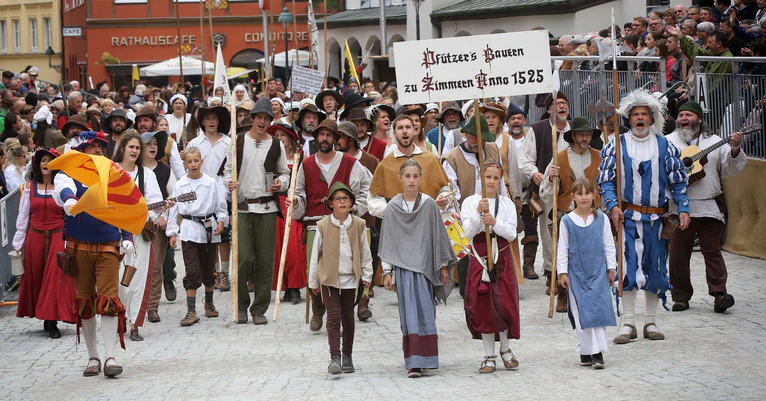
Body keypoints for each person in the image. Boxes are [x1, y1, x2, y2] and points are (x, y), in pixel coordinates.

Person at [597, 89, 690, 344]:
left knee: (655, 269)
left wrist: (683, 208)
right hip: (626, 219)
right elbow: (605, 181)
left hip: (657, 221)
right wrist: (613, 206)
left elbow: (678, 180)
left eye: (644, 114)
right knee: (627, 269)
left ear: (651, 118)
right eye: (635, 114)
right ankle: (628, 323)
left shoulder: (664, 146)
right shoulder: (616, 145)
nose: (640, 118)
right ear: (629, 119)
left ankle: (650, 321)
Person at [54, 131, 135, 377]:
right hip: (78, 248)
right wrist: (70, 201)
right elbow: (64, 192)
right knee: (85, 302)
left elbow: (124, 206)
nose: (98, 150)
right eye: (93, 147)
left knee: (109, 301)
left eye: (100, 146)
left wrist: (128, 237)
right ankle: (93, 356)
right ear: (81, 151)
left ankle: (110, 356)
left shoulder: (113, 174)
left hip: (108, 246)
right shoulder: (67, 174)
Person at [286, 118, 371, 331]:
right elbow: (299, 192)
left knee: (343, 268)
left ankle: (341, 312)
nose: (324, 139)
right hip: (315, 224)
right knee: (314, 268)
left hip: (344, 223)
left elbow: (366, 188)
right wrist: (296, 202)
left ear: (335, 138)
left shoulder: (350, 162)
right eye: (321, 135)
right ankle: (318, 309)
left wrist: (354, 207)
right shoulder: (306, 164)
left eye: (329, 135)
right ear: (316, 137)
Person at [378, 159, 457, 378]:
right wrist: (387, 272)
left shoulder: (429, 204)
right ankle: (413, 362)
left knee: (426, 312)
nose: (411, 180)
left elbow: (438, 236)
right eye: (407, 176)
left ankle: (428, 359)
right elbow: (388, 241)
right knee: (409, 314)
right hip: (404, 270)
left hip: (425, 267)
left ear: (421, 178)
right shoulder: (393, 207)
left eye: (415, 176)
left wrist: (443, 266)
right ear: (400, 178)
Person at [666, 101, 747, 313]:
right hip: (678, 208)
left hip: (709, 206)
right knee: (678, 255)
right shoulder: (667, 142)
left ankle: (720, 295)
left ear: (699, 119)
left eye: (689, 115)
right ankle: (680, 297)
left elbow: (732, 168)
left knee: (712, 252)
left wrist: (735, 147)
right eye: (681, 115)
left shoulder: (715, 142)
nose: (684, 118)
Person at [224, 97, 290, 325]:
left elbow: (285, 173)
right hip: (242, 208)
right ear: (252, 119)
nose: (262, 122)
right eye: (259, 117)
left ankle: (259, 308)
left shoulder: (276, 145)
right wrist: (229, 183)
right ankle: (241, 303)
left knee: (265, 260)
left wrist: (280, 183)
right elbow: (227, 171)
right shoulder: (238, 141)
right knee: (243, 257)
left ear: (270, 121)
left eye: (266, 118)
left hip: (267, 208)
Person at [461, 162, 520, 374]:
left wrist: (494, 222)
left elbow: (512, 233)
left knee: (504, 304)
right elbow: (466, 232)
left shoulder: (506, 204)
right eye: (488, 177)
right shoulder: (470, 202)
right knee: (484, 305)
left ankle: (505, 349)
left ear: (500, 179)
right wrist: (478, 214)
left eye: (496, 178)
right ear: (481, 176)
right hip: (480, 256)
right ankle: (489, 355)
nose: (491, 182)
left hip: (501, 256)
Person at [539, 117, 603, 312]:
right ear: (573, 136)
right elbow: (546, 194)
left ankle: (590, 295)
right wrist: (552, 178)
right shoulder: (559, 158)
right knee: (564, 255)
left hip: (593, 214)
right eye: (581, 134)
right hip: (567, 214)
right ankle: (563, 295)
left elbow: (607, 184)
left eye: (588, 134)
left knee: (592, 256)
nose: (585, 138)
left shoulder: (600, 157)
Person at [308, 182, 373, 374]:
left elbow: (365, 251)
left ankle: (347, 355)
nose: (342, 202)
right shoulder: (323, 225)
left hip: (350, 279)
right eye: (338, 199)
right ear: (331, 203)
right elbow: (315, 255)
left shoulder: (359, 224)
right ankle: (334, 357)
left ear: (351, 202)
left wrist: (367, 274)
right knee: (333, 317)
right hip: (329, 279)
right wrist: (314, 281)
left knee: (348, 318)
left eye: (345, 198)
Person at [14, 147, 77, 338]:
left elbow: (69, 213)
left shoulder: (62, 187)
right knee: (38, 276)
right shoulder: (30, 187)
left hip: (58, 235)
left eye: (50, 160)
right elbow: (23, 215)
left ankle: (52, 321)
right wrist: (18, 244)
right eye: (43, 160)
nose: (46, 163)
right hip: (35, 237)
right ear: (38, 164)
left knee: (55, 278)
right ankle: (44, 315)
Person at [557, 178, 617, 369]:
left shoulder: (602, 219)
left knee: (598, 311)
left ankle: (597, 352)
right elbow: (562, 248)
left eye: (587, 193)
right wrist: (562, 272)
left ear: (594, 195)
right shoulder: (567, 221)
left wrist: (611, 268)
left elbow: (608, 244)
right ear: (573, 196)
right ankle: (586, 350)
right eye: (580, 193)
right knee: (581, 312)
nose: (584, 197)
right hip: (577, 273)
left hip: (598, 271)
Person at [166, 147, 228, 326]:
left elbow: (220, 206)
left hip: (208, 229)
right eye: (189, 161)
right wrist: (172, 232)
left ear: (201, 162)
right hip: (189, 229)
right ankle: (191, 311)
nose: (193, 164)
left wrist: (221, 221)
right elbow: (174, 210)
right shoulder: (180, 185)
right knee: (192, 270)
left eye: (196, 161)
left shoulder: (210, 183)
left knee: (208, 268)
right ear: (184, 164)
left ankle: (209, 303)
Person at [518, 92, 570, 292]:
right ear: (549, 109)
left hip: (572, 191)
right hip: (547, 191)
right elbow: (524, 158)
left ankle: (569, 273)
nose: (562, 107)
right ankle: (551, 274)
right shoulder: (538, 129)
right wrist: (534, 173)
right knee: (549, 235)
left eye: (564, 103)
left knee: (571, 232)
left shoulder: (575, 129)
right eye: (557, 104)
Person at [114, 133, 163, 342]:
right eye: (131, 147)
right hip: (113, 233)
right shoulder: (111, 171)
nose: (134, 151)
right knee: (118, 280)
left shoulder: (146, 175)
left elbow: (156, 203)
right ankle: (119, 318)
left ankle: (134, 324)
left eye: (137, 148)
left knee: (139, 278)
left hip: (139, 233)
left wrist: (144, 215)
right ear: (122, 148)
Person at [187, 106, 233, 291]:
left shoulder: (229, 142)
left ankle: (224, 273)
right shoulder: (195, 143)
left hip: (223, 192)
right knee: (210, 234)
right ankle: (213, 272)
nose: (211, 122)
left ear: (219, 121)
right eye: (208, 118)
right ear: (202, 122)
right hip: (203, 194)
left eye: (214, 118)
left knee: (224, 234)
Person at [368, 115, 450, 218]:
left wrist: (443, 197)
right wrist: (387, 210)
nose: (404, 131)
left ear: (414, 131)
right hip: (399, 221)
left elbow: (445, 188)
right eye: (400, 128)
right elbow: (374, 198)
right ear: (394, 133)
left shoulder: (430, 158)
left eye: (408, 127)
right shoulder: (385, 165)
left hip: (428, 218)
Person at [141, 130, 176, 323]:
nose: (153, 147)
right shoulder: (134, 170)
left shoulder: (165, 170)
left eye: (155, 143)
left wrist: (164, 215)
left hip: (157, 224)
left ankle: (152, 307)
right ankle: (136, 306)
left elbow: (173, 195)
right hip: (136, 223)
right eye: (148, 144)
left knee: (156, 267)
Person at [270, 123, 307, 304]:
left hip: (293, 204)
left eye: (282, 135)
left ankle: (295, 287)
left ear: (289, 138)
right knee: (277, 247)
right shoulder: (271, 157)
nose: (279, 138)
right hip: (277, 204)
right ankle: (283, 287)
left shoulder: (300, 157)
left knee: (293, 248)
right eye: (276, 135)